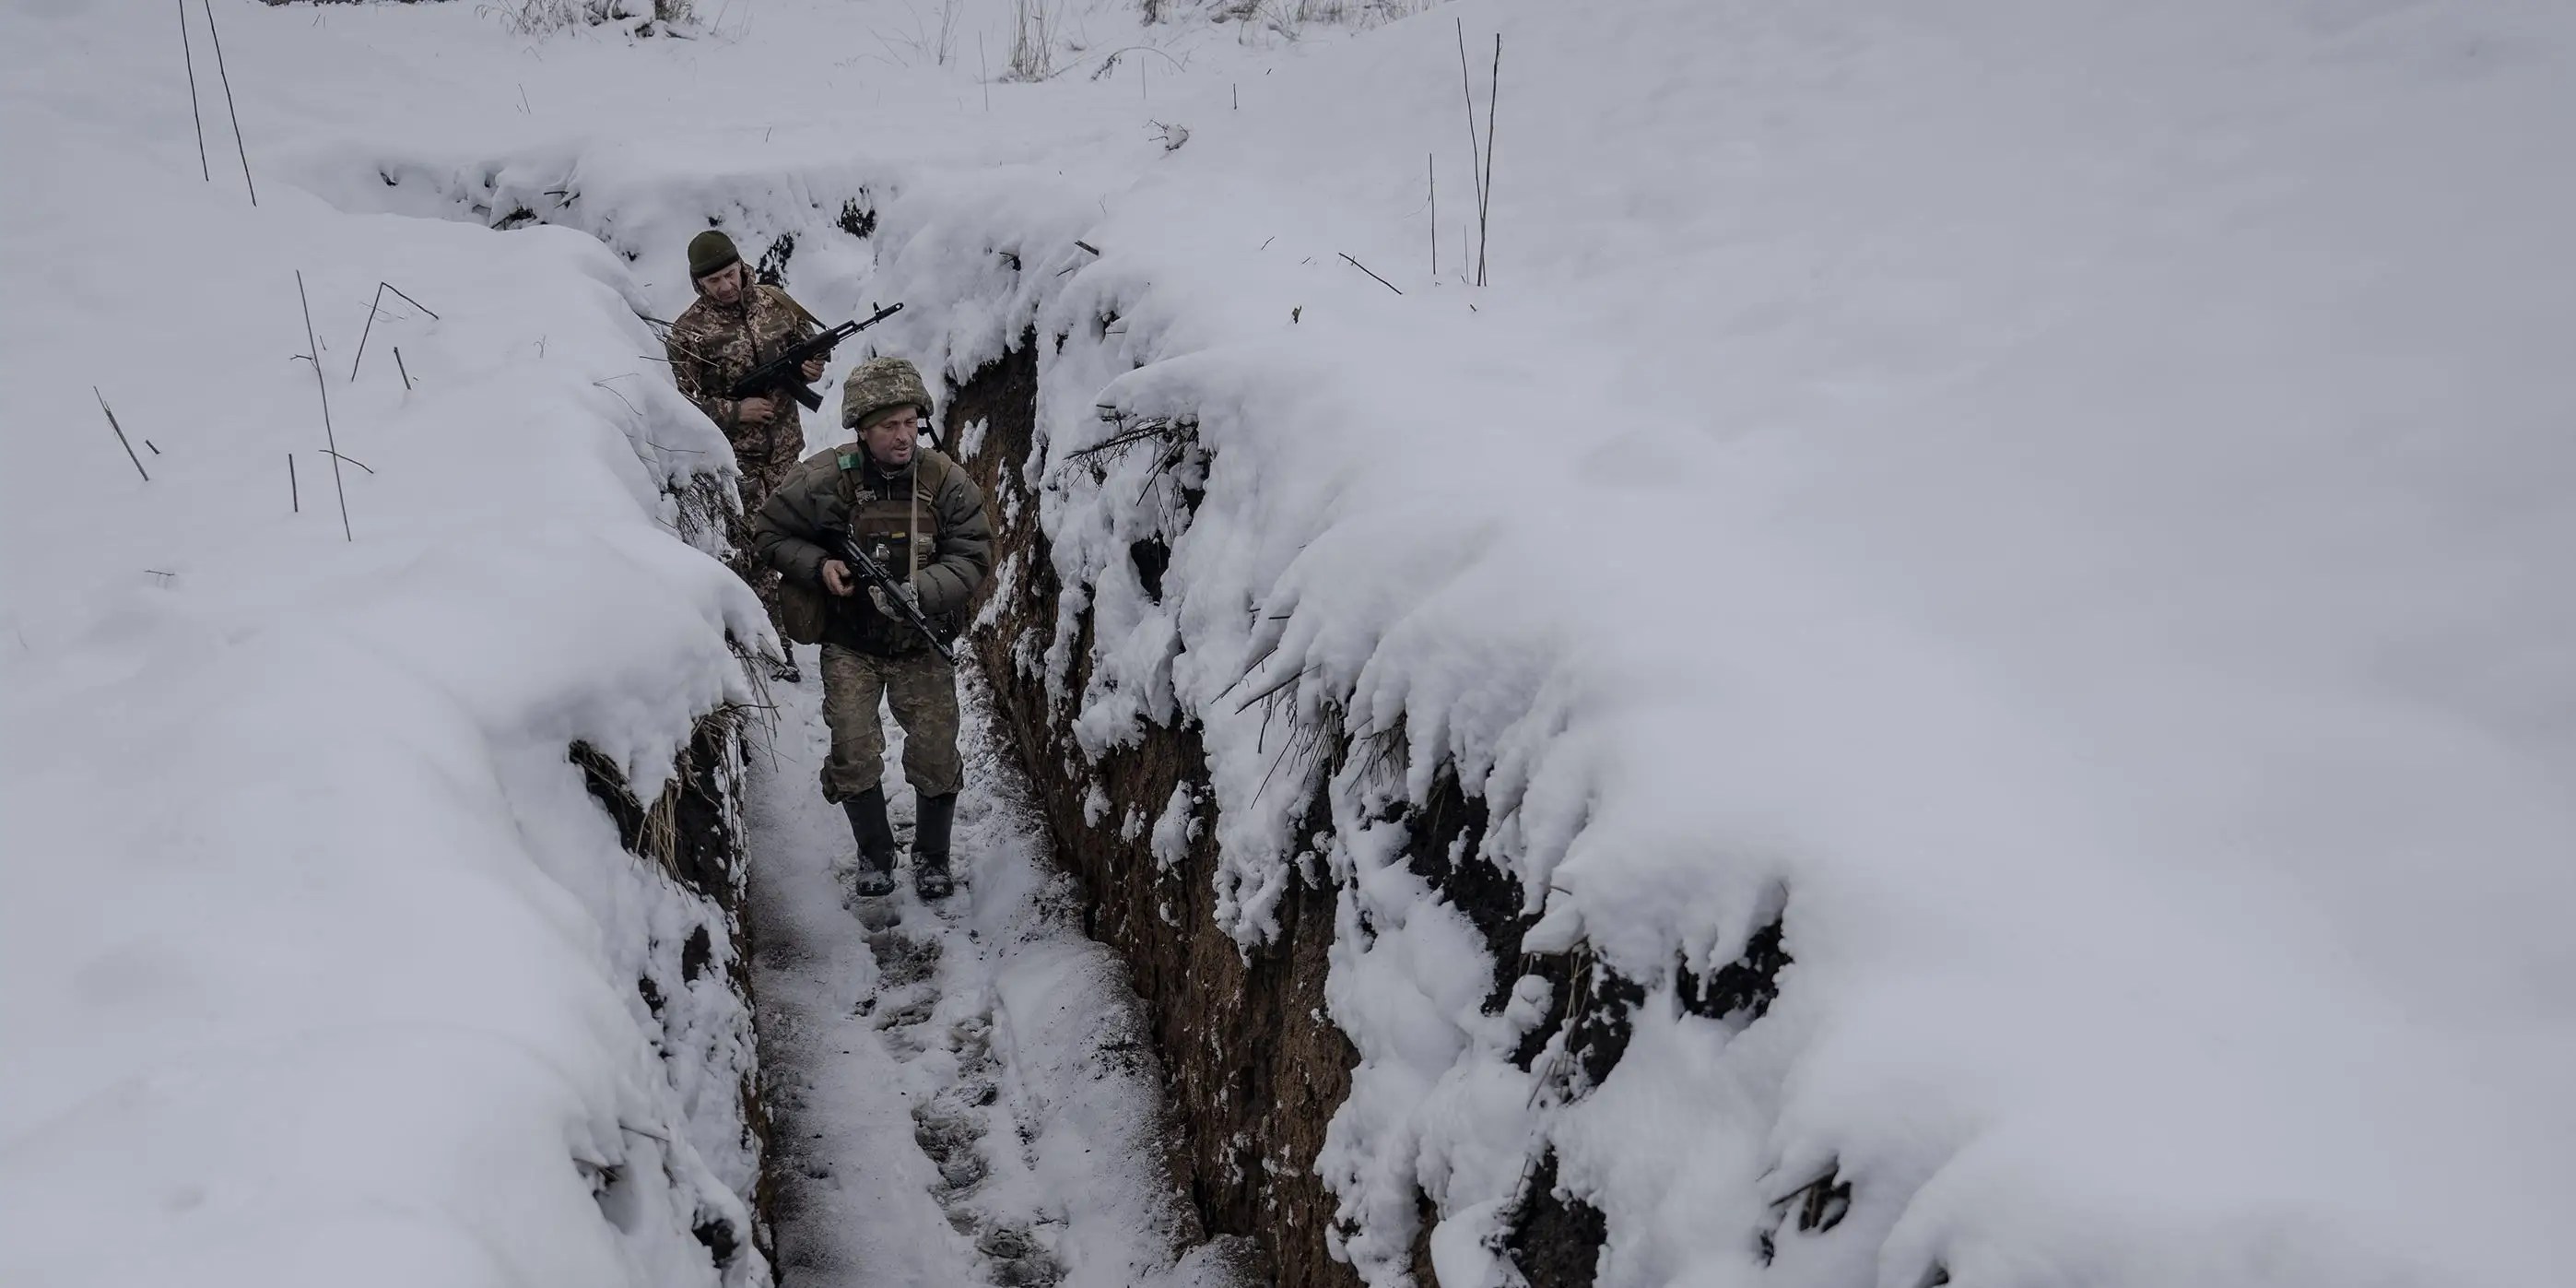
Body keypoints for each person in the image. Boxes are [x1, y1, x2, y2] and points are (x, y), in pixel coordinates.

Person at [752, 358, 992, 899]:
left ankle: (932, 858)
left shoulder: (944, 480)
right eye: (889, 426)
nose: (903, 436)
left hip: (919, 643)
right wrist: (820, 566)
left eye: (910, 422)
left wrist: (920, 593)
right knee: (853, 752)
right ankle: (875, 854)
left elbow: (975, 552)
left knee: (935, 753)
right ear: (863, 429)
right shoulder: (823, 477)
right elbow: (768, 530)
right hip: (850, 645)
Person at [664, 229, 827, 680]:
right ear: (699, 283)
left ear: (742, 266)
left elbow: (808, 344)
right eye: (713, 280)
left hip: (787, 451)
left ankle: (818, 626)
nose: (726, 286)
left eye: (730, 274)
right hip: (738, 463)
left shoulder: (775, 303)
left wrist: (813, 367)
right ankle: (775, 655)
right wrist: (735, 412)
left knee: (801, 539)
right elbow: (678, 404)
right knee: (756, 555)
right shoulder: (688, 332)